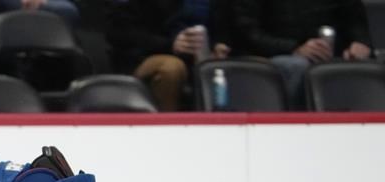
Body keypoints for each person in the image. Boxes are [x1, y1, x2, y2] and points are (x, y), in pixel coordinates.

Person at [233, 0, 373, 110]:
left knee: (362, 65)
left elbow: (355, 19)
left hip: (330, 53)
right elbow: (248, 33)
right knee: (295, 66)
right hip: (274, 55)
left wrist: (359, 42)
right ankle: (293, 127)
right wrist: (294, 48)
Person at [107, 0, 233, 111]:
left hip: (201, 59)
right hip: (145, 57)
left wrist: (219, 44)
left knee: (238, 67)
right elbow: (119, 31)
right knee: (171, 68)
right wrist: (170, 44)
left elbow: (226, 24)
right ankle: (164, 129)